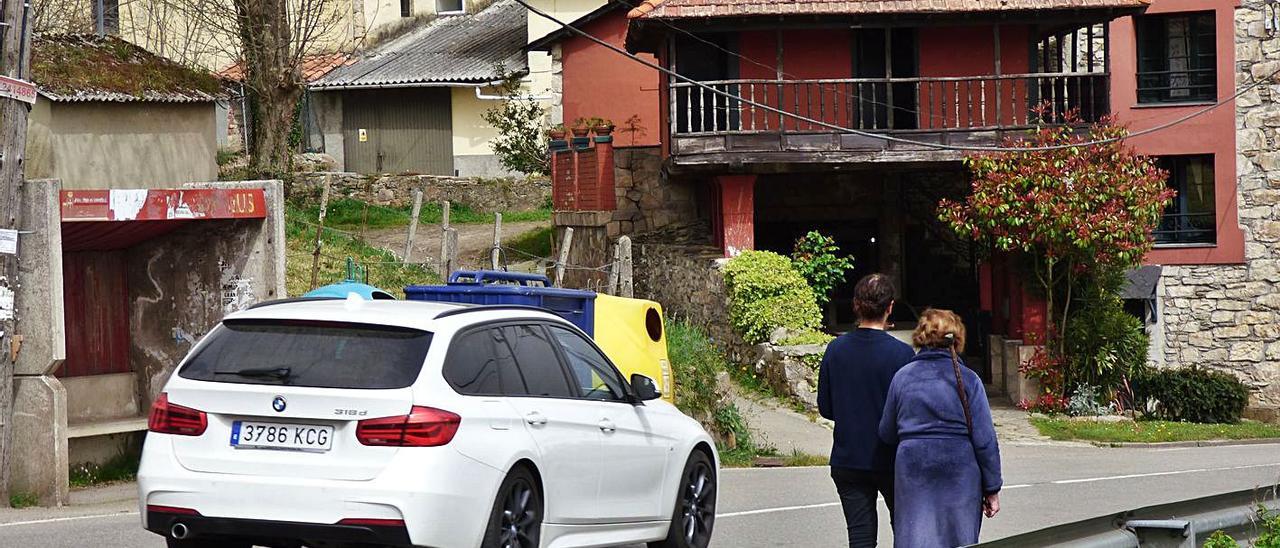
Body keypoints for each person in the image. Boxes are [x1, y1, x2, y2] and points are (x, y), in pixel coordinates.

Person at [878, 308, 1002, 548]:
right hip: (960, 471)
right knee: (958, 539)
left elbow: (887, 432)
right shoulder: (969, 379)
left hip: (913, 468)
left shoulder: (902, 377)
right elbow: (985, 440)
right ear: (956, 338)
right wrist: (992, 488)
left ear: (921, 336)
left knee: (915, 538)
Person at [817, 274, 915, 547]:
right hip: (892, 459)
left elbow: (826, 408)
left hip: (848, 458)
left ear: (856, 305)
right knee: (906, 532)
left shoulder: (835, 350)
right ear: (890, 307)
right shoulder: (902, 355)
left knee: (860, 538)